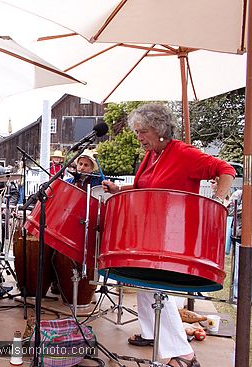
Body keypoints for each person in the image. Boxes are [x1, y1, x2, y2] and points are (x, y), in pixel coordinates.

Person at [102, 103, 235, 367]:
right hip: (151, 234)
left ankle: (183, 354)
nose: (138, 137)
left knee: (155, 289)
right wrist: (120, 189)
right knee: (145, 286)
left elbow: (226, 170)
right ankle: (159, 339)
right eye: (137, 131)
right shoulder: (151, 156)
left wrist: (219, 200)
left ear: (159, 129)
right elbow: (146, 187)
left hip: (173, 236)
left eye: (143, 132)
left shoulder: (183, 153)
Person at [227, 174, 252, 307]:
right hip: (242, 237)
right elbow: (230, 211)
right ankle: (237, 297)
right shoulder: (239, 194)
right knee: (240, 268)